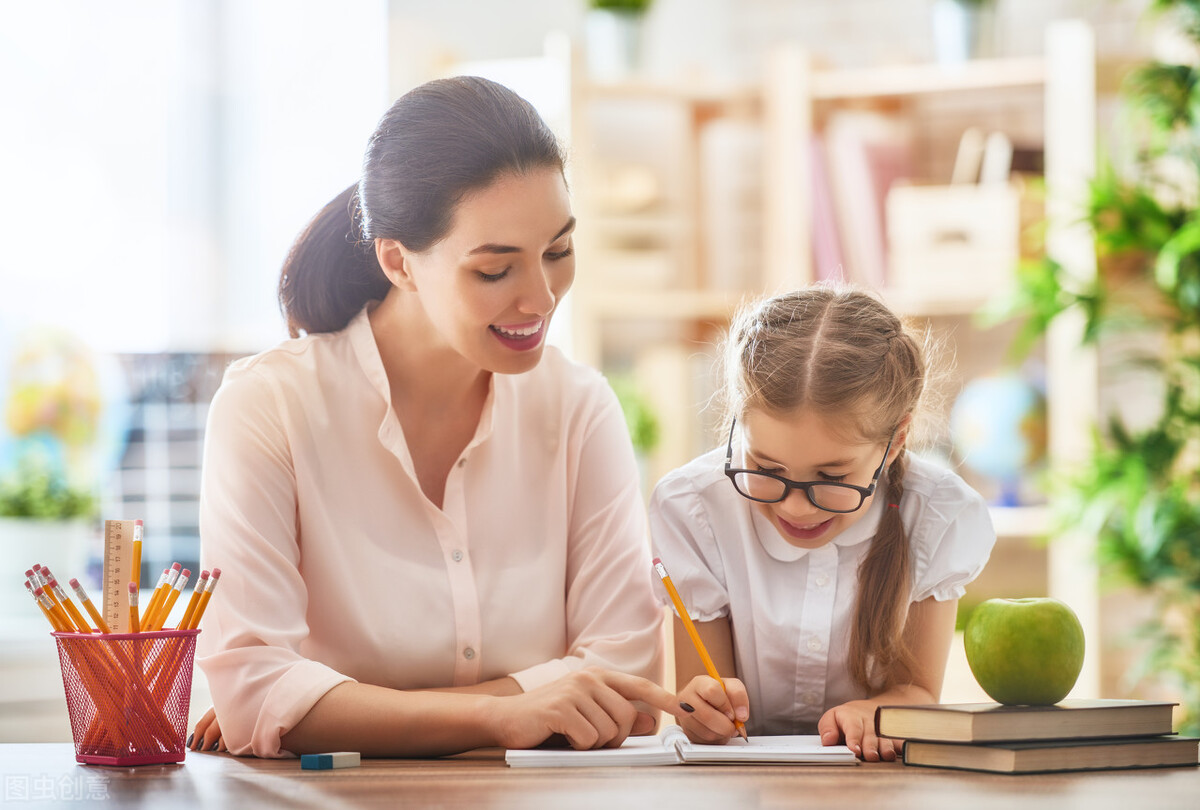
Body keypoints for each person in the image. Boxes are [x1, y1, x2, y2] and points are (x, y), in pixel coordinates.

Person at [189, 76, 681, 758]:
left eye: (559, 251)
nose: (541, 297)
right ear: (398, 262)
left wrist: (329, 705)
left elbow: (625, 682)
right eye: (494, 270)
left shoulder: (577, 407)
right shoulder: (269, 407)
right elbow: (254, 691)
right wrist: (504, 713)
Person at [648, 286, 996, 761]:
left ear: (895, 443)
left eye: (832, 477)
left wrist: (880, 713)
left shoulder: (937, 515)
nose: (795, 508)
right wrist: (702, 713)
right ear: (736, 426)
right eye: (767, 469)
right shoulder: (694, 507)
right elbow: (701, 703)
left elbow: (917, 696)